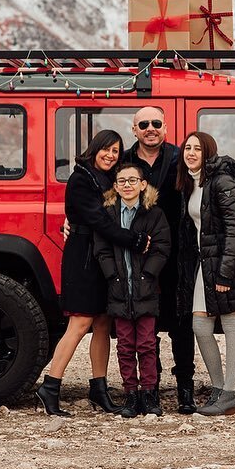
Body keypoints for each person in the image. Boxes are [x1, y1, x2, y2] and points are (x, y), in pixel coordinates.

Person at [35, 130, 151, 417]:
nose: (110, 155)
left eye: (116, 151)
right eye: (106, 149)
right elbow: (100, 220)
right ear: (94, 149)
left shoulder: (109, 177)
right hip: (84, 258)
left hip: (102, 257)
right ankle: (50, 386)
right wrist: (133, 239)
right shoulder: (80, 179)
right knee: (79, 322)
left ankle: (99, 389)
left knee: (102, 322)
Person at [176, 131, 235, 416]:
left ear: (208, 152)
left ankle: (229, 393)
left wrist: (225, 275)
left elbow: (233, 230)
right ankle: (219, 389)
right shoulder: (191, 182)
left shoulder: (221, 180)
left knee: (231, 325)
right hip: (207, 263)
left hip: (230, 263)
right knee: (200, 327)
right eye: (187, 148)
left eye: (196, 149)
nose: (190, 153)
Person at [120, 106, 198, 414]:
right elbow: (105, 197)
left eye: (155, 123)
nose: (150, 128)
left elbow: (211, 180)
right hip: (136, 254)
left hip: (179, 254)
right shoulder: (124, 162)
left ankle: (185, 391)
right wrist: (73, 218)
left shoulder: (181, 158)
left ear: (165, 127)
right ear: (134, 129)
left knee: (182, 323)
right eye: (143, 124)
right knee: (144, 322)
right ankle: (150, 390)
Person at [95, 163, 171, 417]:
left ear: (142, 185)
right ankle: (130, 395)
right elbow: (102, 249)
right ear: (115, 187)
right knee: (125, 345)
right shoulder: (108, 215)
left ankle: (149, 393)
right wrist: (113, 276)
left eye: (132, 180)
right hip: (118, 289)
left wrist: (148, 274)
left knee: (147, 344)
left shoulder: (154, 214)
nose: (127, 185)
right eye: (122, 181)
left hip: (146, 289)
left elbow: (162, 247)